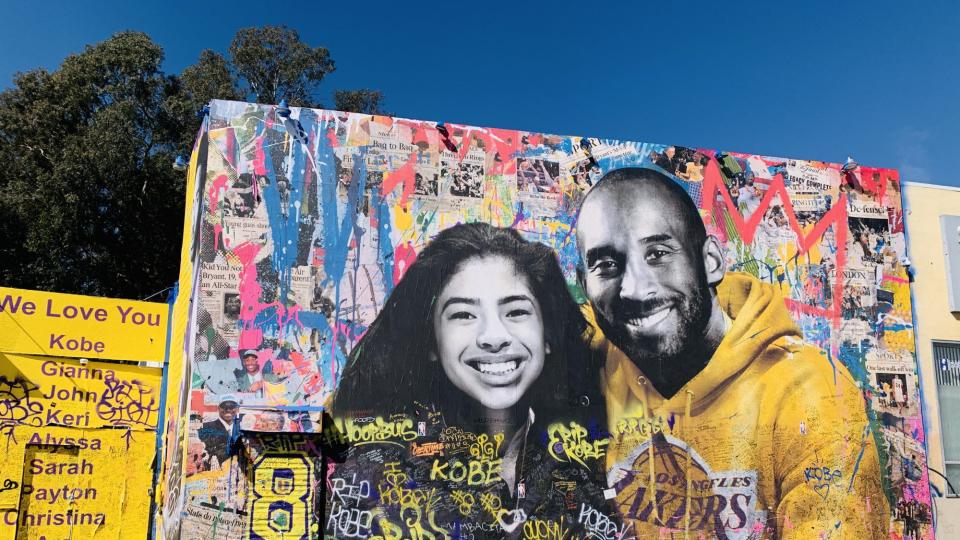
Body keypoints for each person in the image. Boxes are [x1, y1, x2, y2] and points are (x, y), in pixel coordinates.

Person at [575, 167, 889, 538]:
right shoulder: (592, 351)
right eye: (607, 265)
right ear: (585, 285)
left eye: (658, 253)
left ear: (710, 261)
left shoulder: (809, 393)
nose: (633, 289)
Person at [331, 223, 613, 538]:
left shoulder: (585, 460)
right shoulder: (375, 472)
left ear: (548, 334)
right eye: (464, 314)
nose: (494, 337)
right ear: (432, 343)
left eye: (516, 311)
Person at [198, 395, 238, 468]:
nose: (228, 410)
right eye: (224, 406)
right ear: (218, 408)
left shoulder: (242, 430)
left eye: (232, 406)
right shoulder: (205, 428)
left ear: (237, 409)